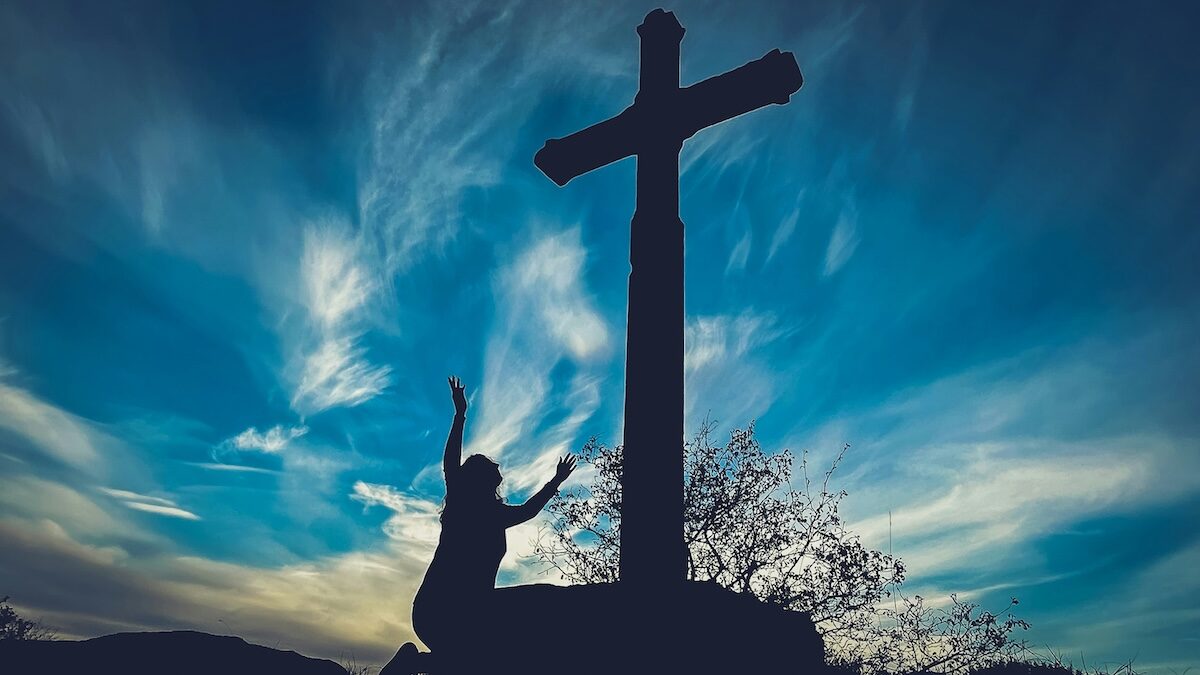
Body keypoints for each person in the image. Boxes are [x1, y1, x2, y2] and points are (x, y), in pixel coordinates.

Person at [411, 375, 577, 653]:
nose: (498, 465)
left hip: (468, 611)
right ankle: (416, 663)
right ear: (480, 478)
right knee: (537, 603)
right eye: (490, 465)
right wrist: (460, 415)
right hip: (440, 612)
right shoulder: (463, 506)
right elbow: (451, 461)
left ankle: (416, 662)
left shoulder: (494, 514)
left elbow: (528, 510)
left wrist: (556, 480)